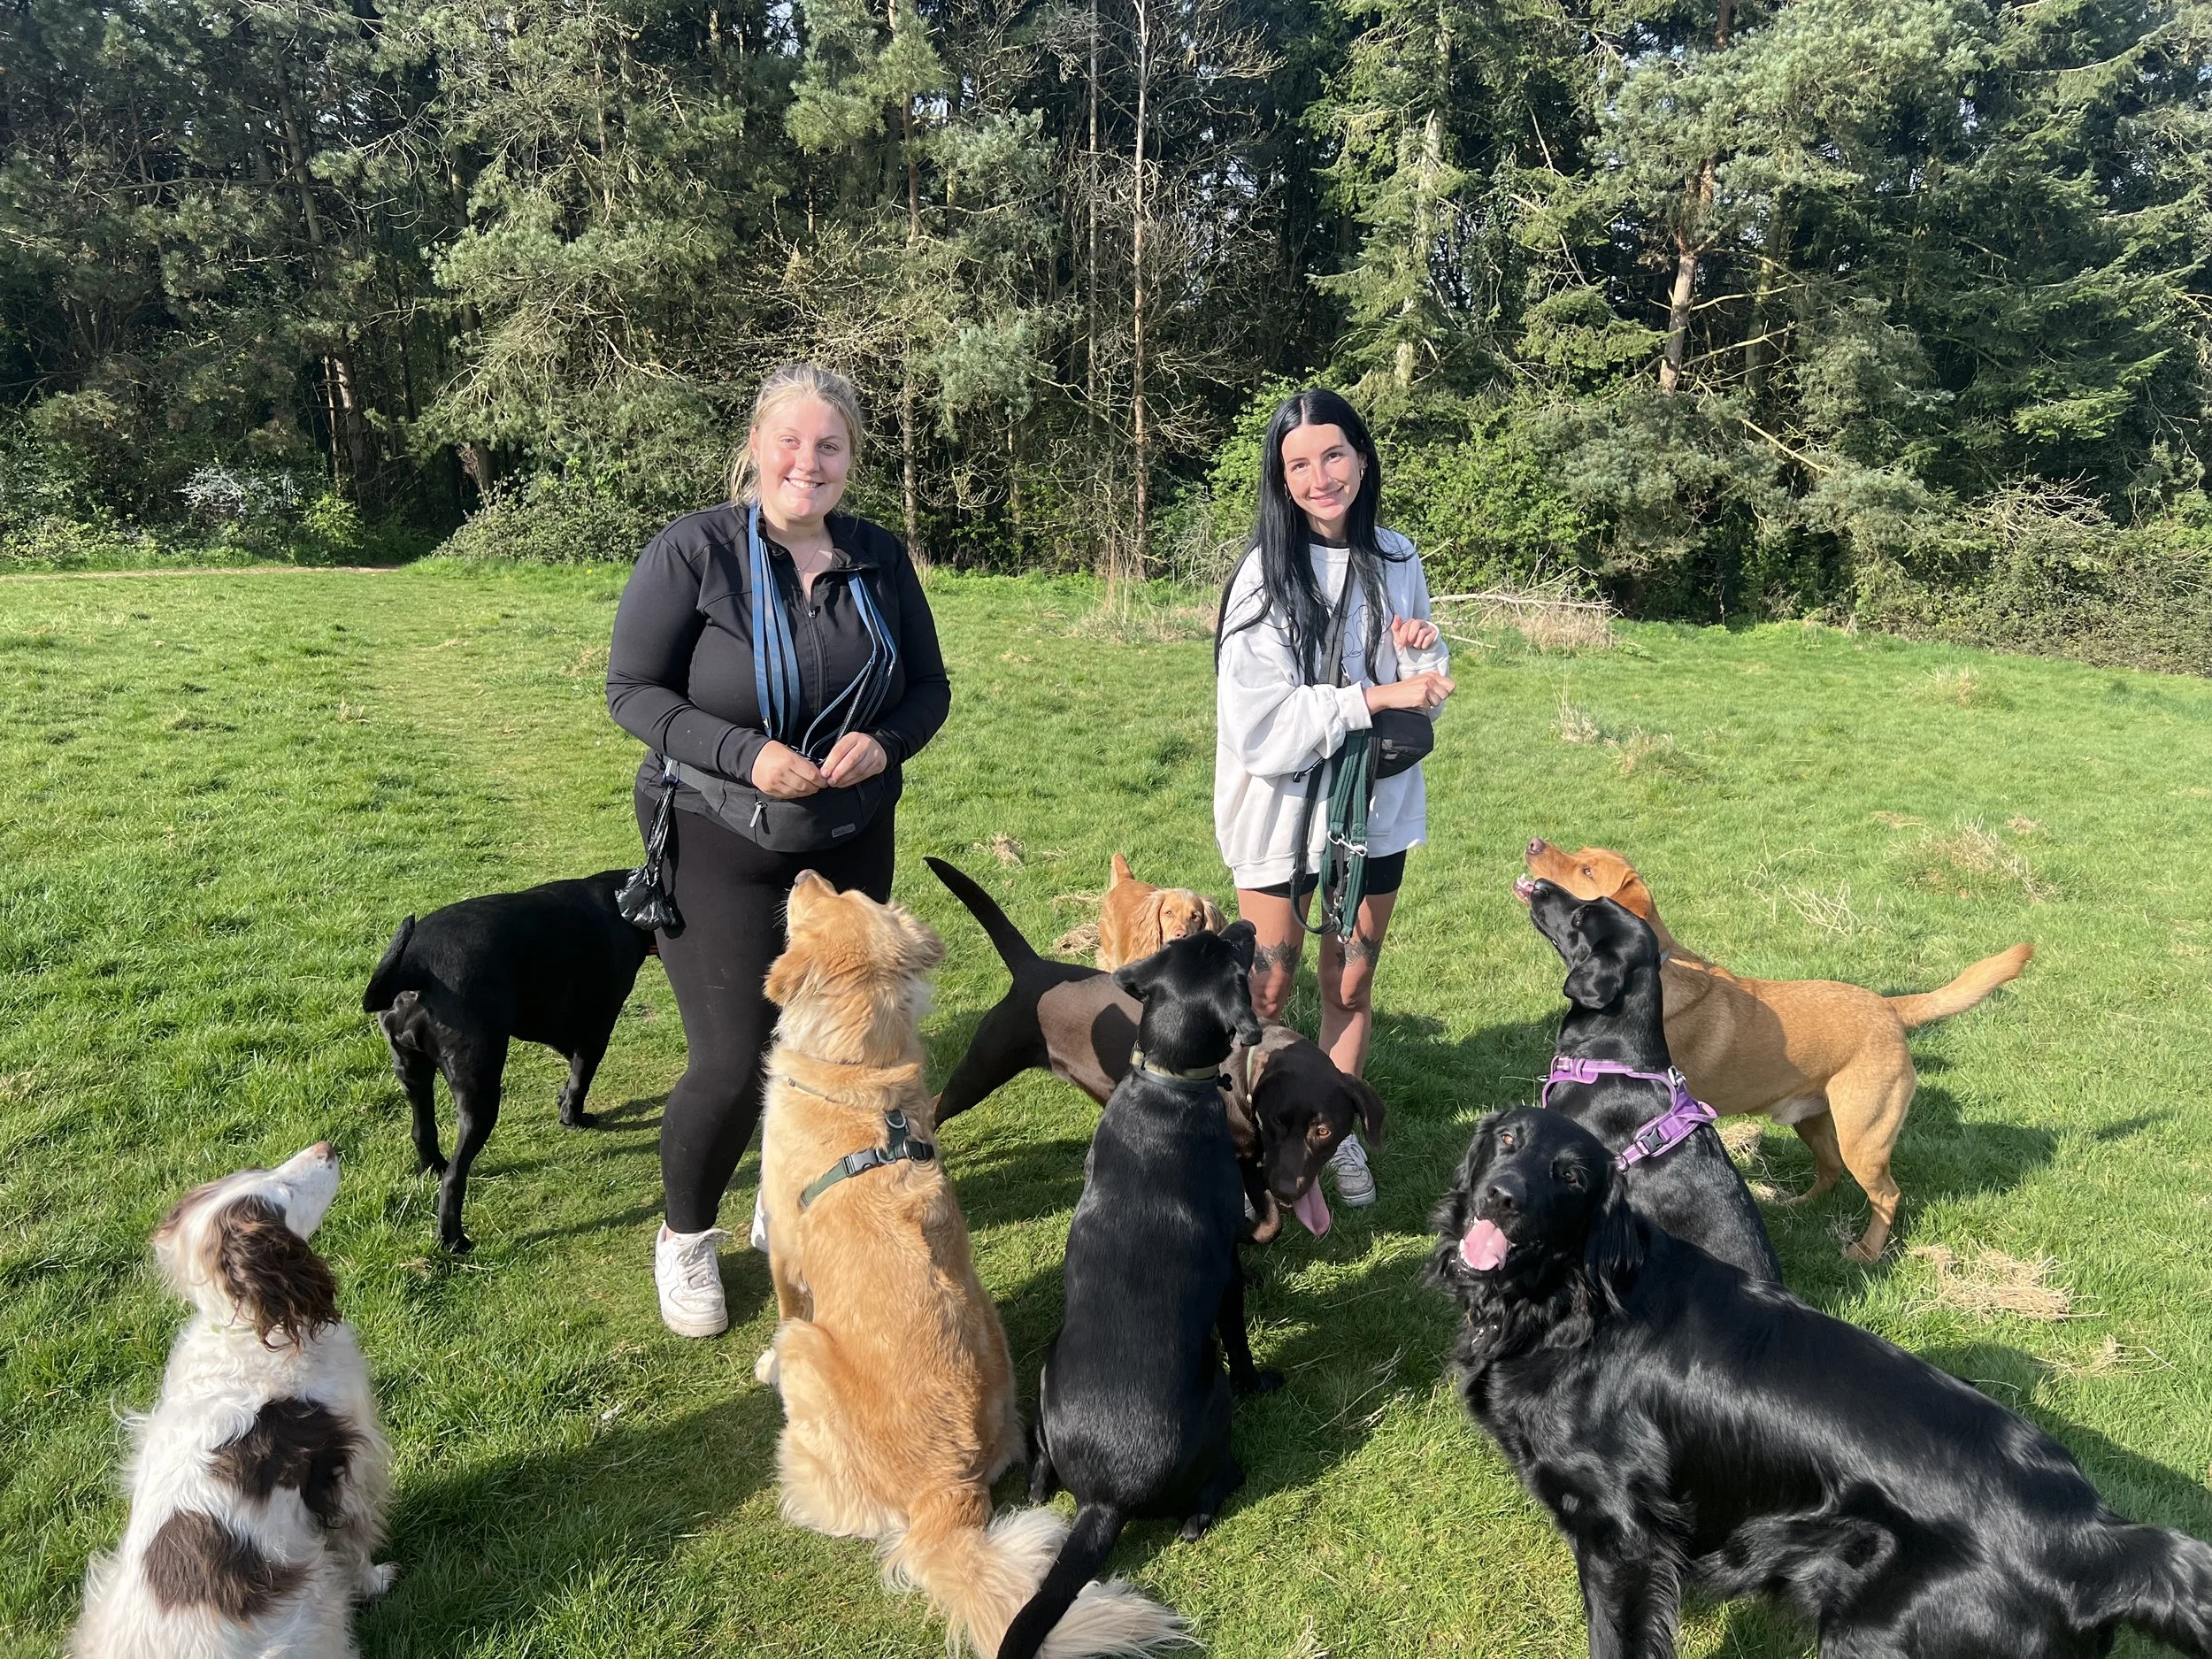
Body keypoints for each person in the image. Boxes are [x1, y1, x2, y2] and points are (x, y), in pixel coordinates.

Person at [606, 363, 950, 1338]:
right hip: (717, 838)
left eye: (829, 446)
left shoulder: (878, 557)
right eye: (790, 442)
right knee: (729, 1059)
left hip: (850, 835)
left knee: (831, 1039)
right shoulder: (695, 552)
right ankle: (683, 1237)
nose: (809, 462)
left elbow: (929, 688)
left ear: (851, 459)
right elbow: (632, 690)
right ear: (756, 446)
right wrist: (744, 754)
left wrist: (884, 743)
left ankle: (783, 1190)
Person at [1213, 388, 1454, 1207]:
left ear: (1362, 455)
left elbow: (1422, 690)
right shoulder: (1261, 580)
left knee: (1350, 982)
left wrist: (1422, 654)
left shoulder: (1398, 559)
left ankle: (1330, 1133)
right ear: (1281, 480)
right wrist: (1370, 699)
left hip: (1372, 813)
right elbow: (1261, 726)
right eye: (1299, 464)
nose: (1321, 476)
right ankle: (1240, 1134)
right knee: (1265, 989)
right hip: (1280, 813)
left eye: (1334, 454)